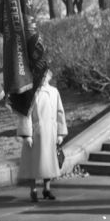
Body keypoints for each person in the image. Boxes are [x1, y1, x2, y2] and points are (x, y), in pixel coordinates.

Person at [17, 69, 67, 202]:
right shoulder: (31, 92)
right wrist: (27, 134)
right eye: (41, 75)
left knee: (48, 162)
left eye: (46, 75)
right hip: (35, 133)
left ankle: (47, 189)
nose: (44, 77)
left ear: (50, 77)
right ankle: (33, 190)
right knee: (32, 163)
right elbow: (25, 114)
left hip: (50, 132)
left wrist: (60, 133)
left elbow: (59, 112)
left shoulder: (54, 92)